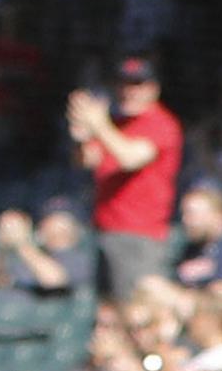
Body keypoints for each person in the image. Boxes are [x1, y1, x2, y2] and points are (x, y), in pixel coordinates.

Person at [72, 56, 181, 299]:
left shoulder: (160, 123)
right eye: (123, 84)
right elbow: (87, 160)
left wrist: (99, 124)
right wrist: (81, 130)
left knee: (136, 310)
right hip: (105, 230)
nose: (127, 91)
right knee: (108, 315)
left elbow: (131, 157)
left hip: (138, 235)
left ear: (153, 88)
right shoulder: (119, 124)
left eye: (136, 84)